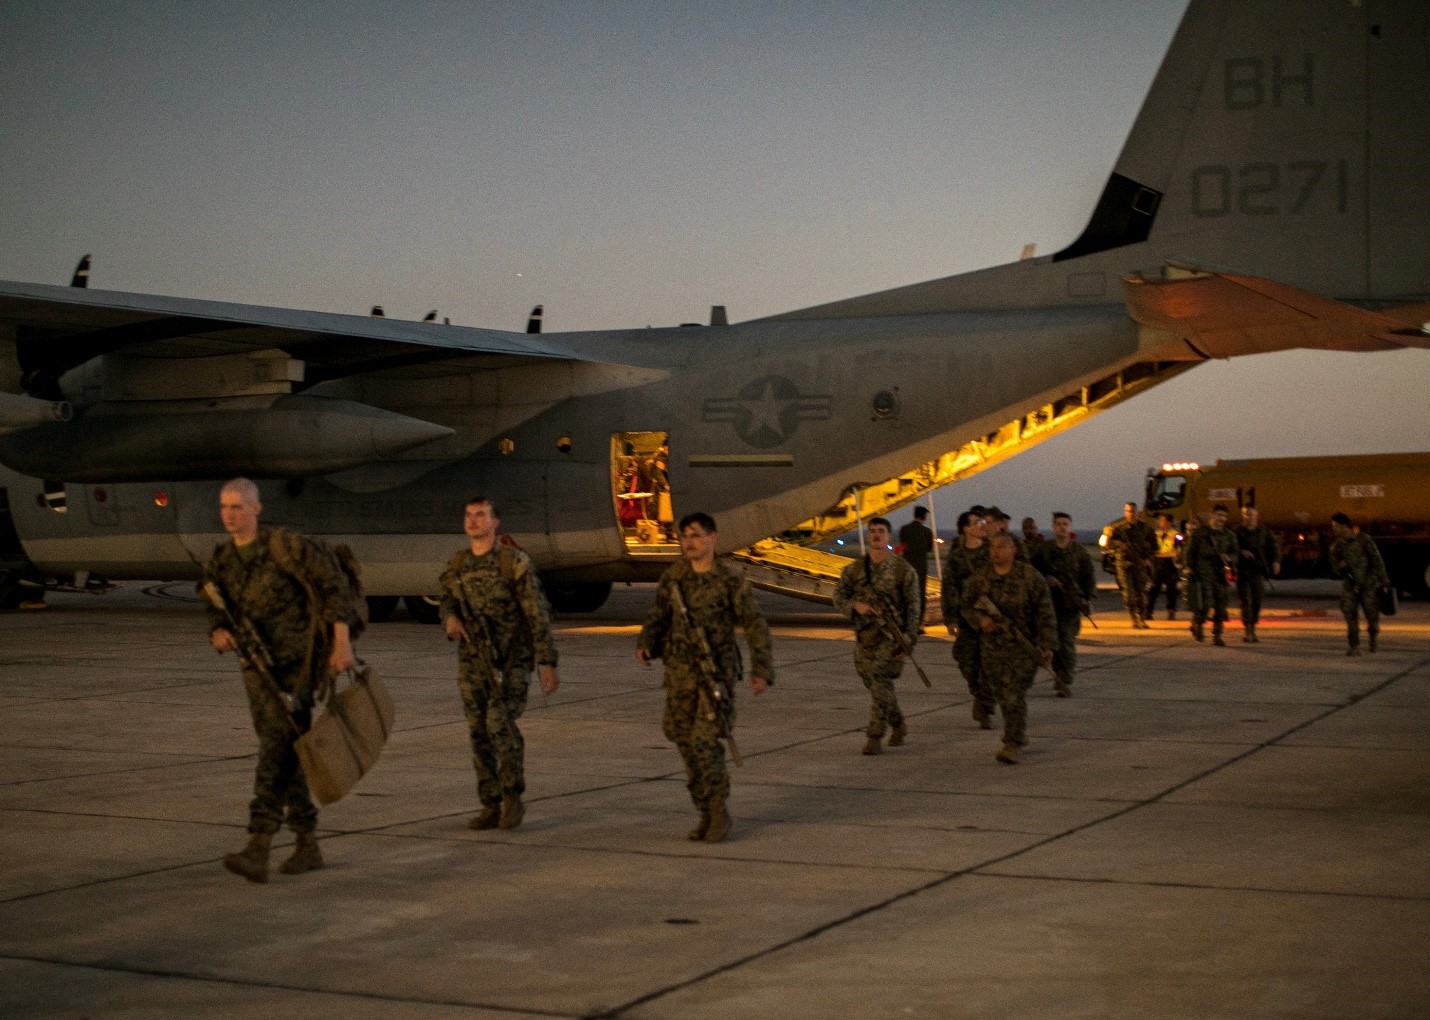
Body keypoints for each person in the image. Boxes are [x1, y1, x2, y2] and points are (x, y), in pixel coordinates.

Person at [202, 477, 355, 883]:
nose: (230, 515)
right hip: (256, 670)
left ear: (257, 508)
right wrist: (218, 630)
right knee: (288, 750)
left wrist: (341, 644)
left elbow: (333, 588)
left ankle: (259, 843)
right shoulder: (221, 560)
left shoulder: (285, 548)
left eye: (238, 507)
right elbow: (212, 600)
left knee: (276, 747)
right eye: (224, 507)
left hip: (299, 666)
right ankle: (307, 843)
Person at [637, 512, 772, 841]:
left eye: (696, 536)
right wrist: (645, 643)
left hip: (716, 675)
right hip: (680, 673)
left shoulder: (729, 579)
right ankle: (703, 810)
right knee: (683, 739)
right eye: (685, 537)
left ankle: (718, 811)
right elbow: (658, 615)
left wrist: (761, 670)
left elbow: (754, 624)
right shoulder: (674, 577)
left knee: (704, 742)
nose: (689, 542)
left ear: (712, 539)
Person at [440, 498, 560, 831]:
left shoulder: (514, 563)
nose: (473, 520)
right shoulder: (458, 564)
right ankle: (489, 803)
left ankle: (512, 797)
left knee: (499, 724)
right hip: (473, 661)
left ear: (496, 523)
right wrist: (449, 618)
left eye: (481, 515)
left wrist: (546, 661)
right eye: (468, 515)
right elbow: (446, 597)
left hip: (511, 661)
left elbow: (537, 613)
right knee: (478, 730)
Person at [961, 533, 1055, 764]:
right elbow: (966, 605)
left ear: (1014, 550)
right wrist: (980, 620)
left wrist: (1047, 645)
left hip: (1023, 647)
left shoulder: (1030, 578)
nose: (996, 551)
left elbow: (1045, 613)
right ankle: (1019, 734)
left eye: (1002, 546)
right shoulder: (980, 578)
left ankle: (1012, 742)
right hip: (992, 648)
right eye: (993, 546)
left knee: (1013, 693)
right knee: (1003, 694)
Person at [834, 516, 920, 756]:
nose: (876, 535)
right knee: (873, 683)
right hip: (865, 637)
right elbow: (838, 597)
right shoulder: (854, 570)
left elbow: (913, 608)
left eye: (881, 531)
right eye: (872, 531)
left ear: (888, 536)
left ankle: (874, 735)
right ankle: (899, 724)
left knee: (880, 679)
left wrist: (909, 640)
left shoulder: (903, 570)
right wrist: (855, 606)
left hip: (892, 638)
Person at [1030, 512, 1095, 697]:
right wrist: (1045, 578)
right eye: (1058, 524)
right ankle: (1058, 675)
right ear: (1053, 527)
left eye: (1065, 524)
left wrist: (1087, 598)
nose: (1062, 527)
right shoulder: (1043, 550)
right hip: (1047, 605)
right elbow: (1030, 571)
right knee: (1050, 642)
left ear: (1070, 527)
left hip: (1069, 605)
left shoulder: (1079, 552)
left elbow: (1088, 576)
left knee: (1066, 642)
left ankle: (1064, 679)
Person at [942, 509, 994, 729]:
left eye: (981, 521)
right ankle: (980, 696)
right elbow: (949, 588)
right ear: (966, 528)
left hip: (992, 617)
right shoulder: (957, 557)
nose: (980, 525)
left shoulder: (992, 552)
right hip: (967, 618)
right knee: (966, 660)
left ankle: (984, 704)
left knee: (991, 664)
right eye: (975, 522)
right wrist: (950, 618)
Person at [1329, 512, 1389, 655]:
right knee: (1350, 614)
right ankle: (1354, 646)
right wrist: (1339, 566)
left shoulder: (1364, 540)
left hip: (1369, 584)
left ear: (1344, 526)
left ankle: (1373, 636)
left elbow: (1376, 559)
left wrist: (1383, 578)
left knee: (1371, 614)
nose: (1334, 529)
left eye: (1336, 526)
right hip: (1350, 585)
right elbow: (1334, 568)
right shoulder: (1337, 546)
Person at [1185, 504, 1239, 645]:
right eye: (1218, 515)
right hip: (1203, 573)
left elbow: (1235, 553)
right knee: (1206, 603)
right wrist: (1189, 567)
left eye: (1224, 516)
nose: (1221, 518)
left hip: (1221, 575)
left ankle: (1217, 634)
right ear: (1212, 516)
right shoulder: (1200, 533)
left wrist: (1229, 558)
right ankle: (1198, 624)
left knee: (1221, 605)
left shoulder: (1229, 535)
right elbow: (1190, 551)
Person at [1234, 506, 1281, 643]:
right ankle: (1249, 630)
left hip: (1258, 571)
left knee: (1257, 600)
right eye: (1246, 514)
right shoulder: (1237, 532)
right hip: (1243, 571)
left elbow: (1274, 547)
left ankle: (1253, 623)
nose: (1249, 517)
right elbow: (1231, 548)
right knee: (1245, 601)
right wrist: (1241, 552)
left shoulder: (1263, 531)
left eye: (1251, 514)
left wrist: (1276, 562)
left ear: (1257, 516)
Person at [1106, 501, 1156, 628]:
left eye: (1132, 511)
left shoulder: (1145, 528)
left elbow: (1154, 546)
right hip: (1124, 564)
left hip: (1139, 564)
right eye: (1128, 511)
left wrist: (1147, 558)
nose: (1130, 514)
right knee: (1128, 593)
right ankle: (1134, 618)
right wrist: (1119, 544)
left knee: (1141, 593)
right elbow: (1107, 543)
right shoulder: (1118, 528)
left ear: (1137, 513)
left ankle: (1141, 618)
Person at [898, 506, 935, 628]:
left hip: (906, 565)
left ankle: (905, 620)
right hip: (920, 566)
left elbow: (902, 546)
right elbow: (929, 549)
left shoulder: (904, 529)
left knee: (906, 593)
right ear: (924, 517)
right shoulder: (927, 531)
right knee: (920, 594)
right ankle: (919, 623)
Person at [1146, 513, 1183, 620]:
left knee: (1171, 589)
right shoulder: (1156, 534)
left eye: (1162, 520)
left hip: (1170, 564)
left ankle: (1171, 611)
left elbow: (1178, 551)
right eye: (1160, 520)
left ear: (1169, 522)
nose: (1160, 523)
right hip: (1157, 564)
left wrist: (1163, 554)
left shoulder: (1177, 535)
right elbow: (1150, 548)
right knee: (1154, 588)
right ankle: (1148, 611)